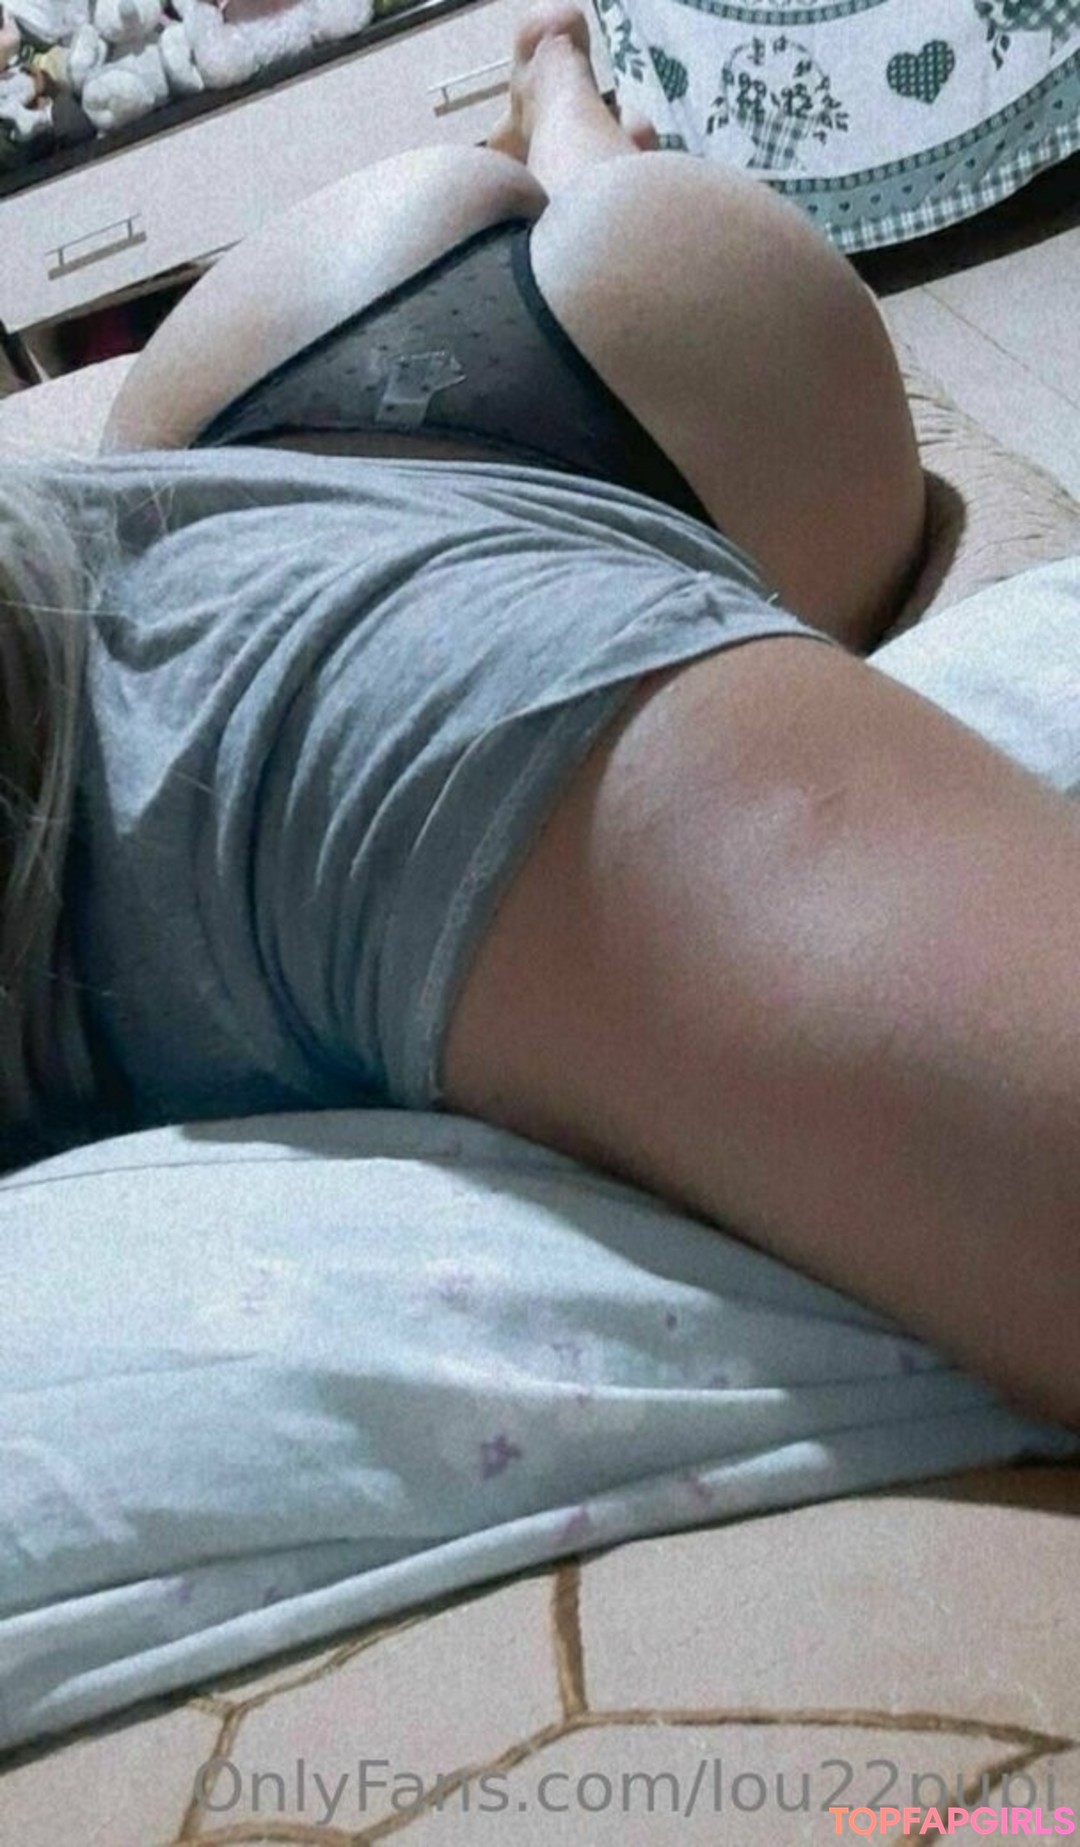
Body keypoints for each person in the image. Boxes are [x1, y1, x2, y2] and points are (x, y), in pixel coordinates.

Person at [1, 4, 1078, 1434]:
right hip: (246, 390)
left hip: (623, 391)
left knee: (613, 210)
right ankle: (551, 116)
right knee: (546, 205)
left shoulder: (387, 727)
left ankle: (563, 97)